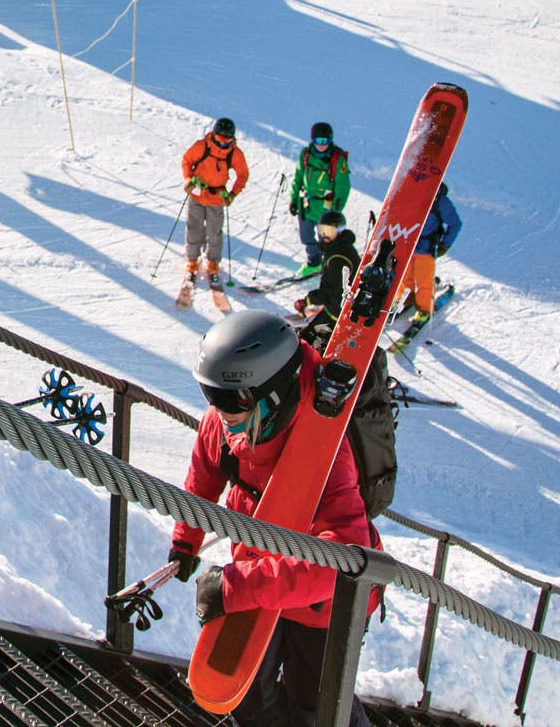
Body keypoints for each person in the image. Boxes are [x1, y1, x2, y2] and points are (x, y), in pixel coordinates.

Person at [167, 314, 378, 727]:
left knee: (316, 707)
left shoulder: (326, 451)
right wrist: (185, 541)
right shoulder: (226, 420)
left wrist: (236, 587)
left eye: (234, 399)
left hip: (321, 606)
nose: (220, 410)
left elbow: (340, 564)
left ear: (275, 393)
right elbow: (203, 475)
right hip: (258, 574)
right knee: (247, 697)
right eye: (211, 394)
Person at [295, 212, 398, 519]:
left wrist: (310, 301)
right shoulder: (341, 251)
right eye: (323, 228)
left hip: (337, 322)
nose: (324, 234)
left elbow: (331, 295)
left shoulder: (338, 255)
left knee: (308, 347)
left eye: (330, 229)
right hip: (339, 319)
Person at [179, 117, 250, 304]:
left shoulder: (234, 153)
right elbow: (186, 160)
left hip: (217, 198)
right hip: (197, 194)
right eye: (219, 139)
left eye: (227, 140)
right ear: (214, 135)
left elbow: (243, 174)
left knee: (214, 232)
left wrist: (233, 193)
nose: (223, 143)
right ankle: (192, 260)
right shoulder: (202, 146)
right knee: (194, 228)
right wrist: (188, 179)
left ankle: (213, 263)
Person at [288, 122, 351, 278]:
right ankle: (314, 262)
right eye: (318, 141)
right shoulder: (306, 154)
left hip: (326, 206)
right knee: (306, 236)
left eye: (325, 141)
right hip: (308, 204)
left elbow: (343, 187)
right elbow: (298, 177)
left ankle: (330, 263)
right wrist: (293, 199)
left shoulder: (337, 159)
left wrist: (336, 210)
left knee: (327, 238)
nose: (321, 145)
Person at [400, 184, 462, 324]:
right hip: (406, 244)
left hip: (425, 248)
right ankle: (408, 297)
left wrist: (445, 244)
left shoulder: (439, 200)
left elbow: (455, 224)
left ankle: (424, 310)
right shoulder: (411, 190)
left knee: (424, 281)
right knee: (404, 276)